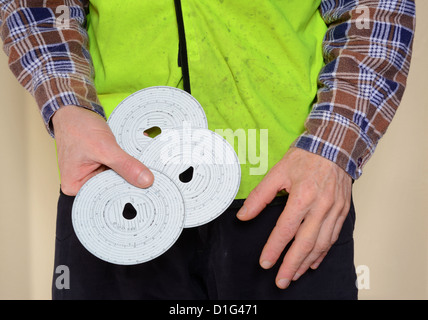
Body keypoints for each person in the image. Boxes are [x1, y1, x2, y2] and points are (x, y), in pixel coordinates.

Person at [0, 0, 416, 300]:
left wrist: (334, 147)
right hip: (113, 183)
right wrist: (66, 105)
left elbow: (376, 9)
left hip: (291, 194)